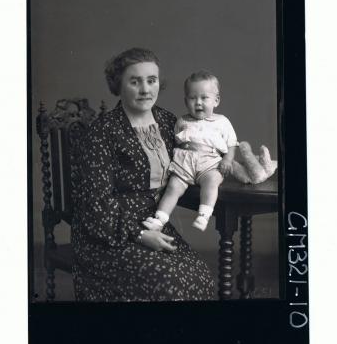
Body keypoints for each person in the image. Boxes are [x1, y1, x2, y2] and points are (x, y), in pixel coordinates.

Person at [71, 48, 215, 301]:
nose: (145, 89)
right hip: (109, 233)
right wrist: (139, 234)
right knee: (170, 285)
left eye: (152, 80)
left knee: (200, 276)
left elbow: (194, 159)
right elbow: (95, 203)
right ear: (119, 86)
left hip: (156, 224)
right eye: (135, 81)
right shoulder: (102, 132)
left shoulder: (169, 122)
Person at [144, 70, 237, 232]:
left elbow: (231, 143)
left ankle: (204, 214)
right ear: (186, 101)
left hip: (209, 163)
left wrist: (227, 160)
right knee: (173, 187)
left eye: (204, 98)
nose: (198, 103)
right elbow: (175, 143)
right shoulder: (182, 121)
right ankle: (159, 219)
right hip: (184, 163)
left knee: (212, 181)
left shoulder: (222, 121)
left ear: (216, 100)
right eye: (193, 98)